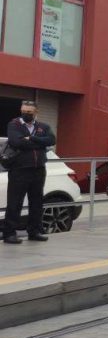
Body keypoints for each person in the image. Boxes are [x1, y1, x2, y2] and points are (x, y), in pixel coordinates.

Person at [3, 101, 56, 244]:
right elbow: (16, 142)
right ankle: (9, 234)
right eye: (24, 111)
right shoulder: (14, 125)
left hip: (38, 169)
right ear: (21, 110)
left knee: (37, 202)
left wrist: (32, 138)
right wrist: (40, 143)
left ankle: (34, 231)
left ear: (36, 112)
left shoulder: (43, 126)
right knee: (15, 202)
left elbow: (51, 140)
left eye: (29, 112)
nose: (26, 114)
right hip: (19, 170)